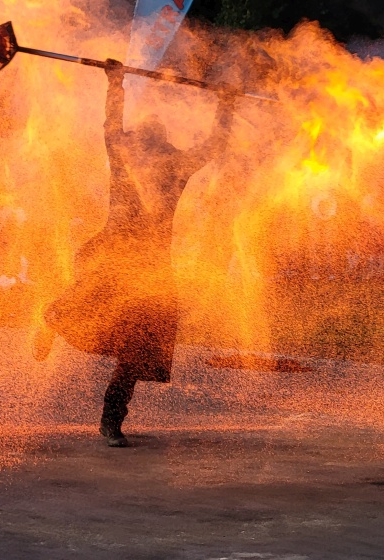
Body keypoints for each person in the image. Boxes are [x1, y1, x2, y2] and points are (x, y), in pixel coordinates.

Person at [34, 59, 237, 447]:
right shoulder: (125, 162)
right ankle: (51, 318)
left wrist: (225, 104)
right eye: (147, 137)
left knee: (139, 347)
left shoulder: (176, 167)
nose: (152, 143)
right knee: (84, 305)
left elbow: (215, 145)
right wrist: (115, 82)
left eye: (156, 137)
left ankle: (112, 419)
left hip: (153, 269)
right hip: (113, 255)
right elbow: (112, 126)